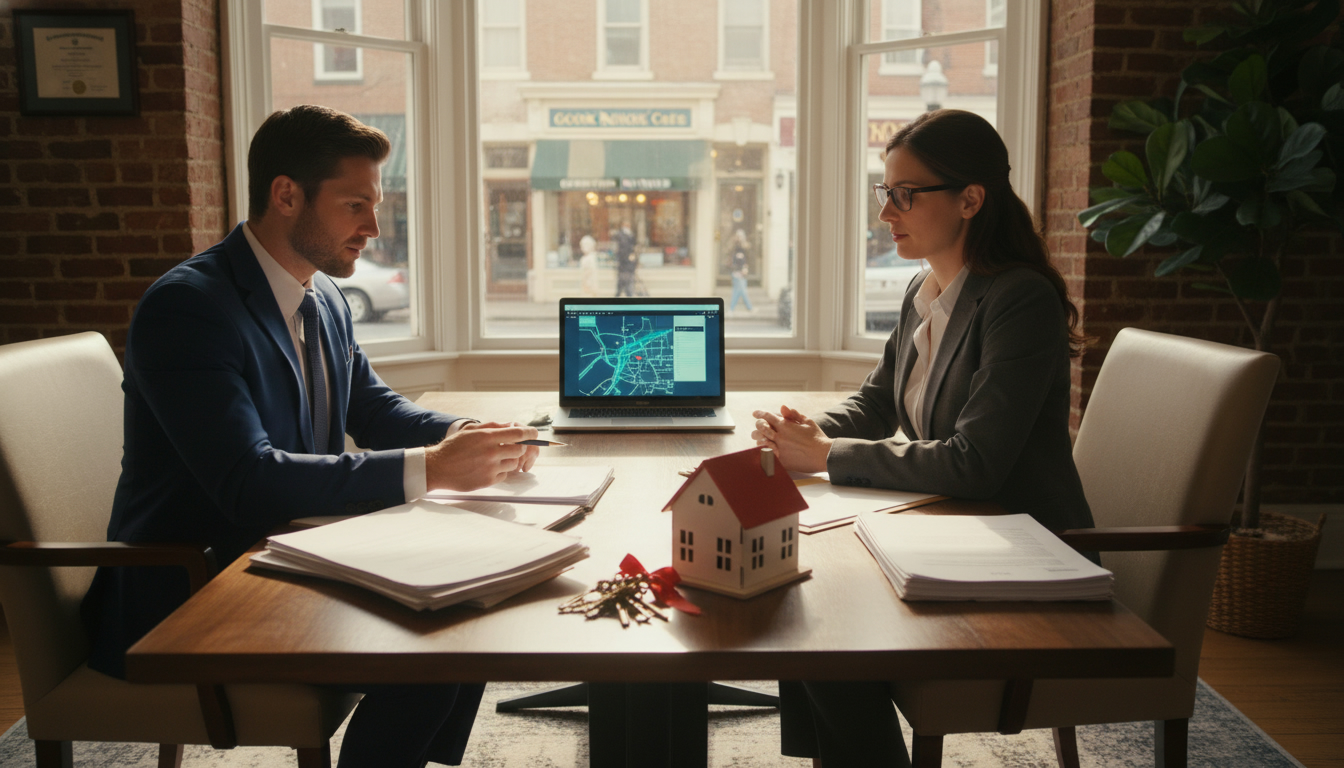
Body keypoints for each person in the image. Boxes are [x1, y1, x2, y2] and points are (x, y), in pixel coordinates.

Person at [78, 105, 540, 768]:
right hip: (196, 590)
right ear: (286, 195)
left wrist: (474, 435)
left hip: (289, 555)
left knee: (464, 601)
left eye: (374, 205)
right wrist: (435, 469)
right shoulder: (188, 309)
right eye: (355, 204)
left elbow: (376, 410)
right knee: (441, 634)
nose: (374, 228)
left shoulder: (322, 296)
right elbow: (247, 481)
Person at [751, 109, 1093, 767]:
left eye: (905, 196)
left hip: (1023, 552)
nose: (887, 214)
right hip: (959, 531)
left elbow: (977, 465)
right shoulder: (923, 288)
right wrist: (811, 431)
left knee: (816, 612)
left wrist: (823, 456)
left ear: (970, 199)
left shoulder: (1019, 300)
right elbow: (880, 401)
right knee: (797, 586)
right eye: (887, 194)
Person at [727, 229, 754, 314]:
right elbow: (730, 256)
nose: (739, 238)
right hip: (736, 271)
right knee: (740, 290)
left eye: (741, 236)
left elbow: (748, 258)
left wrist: (745, 267)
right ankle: (749, 308)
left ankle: (732, 309)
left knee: (739, 291)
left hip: (742, 270)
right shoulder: (733, 246)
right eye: (738, 236)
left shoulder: (746, 247)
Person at [612, 221, 638, 296]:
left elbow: (633, 246)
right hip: (624, 263)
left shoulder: (630, 234)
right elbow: (622, 249)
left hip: (628, 264)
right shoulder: (621, 235)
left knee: (626, 283)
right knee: (623, 282)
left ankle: (625, 295)